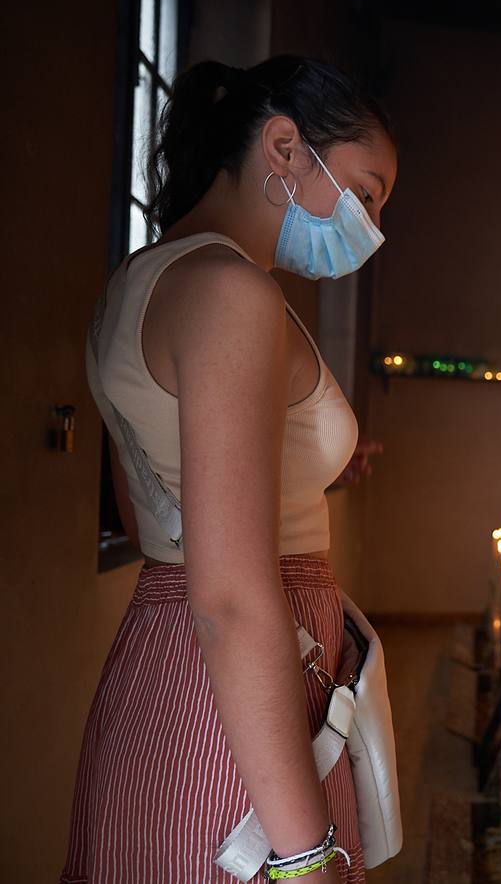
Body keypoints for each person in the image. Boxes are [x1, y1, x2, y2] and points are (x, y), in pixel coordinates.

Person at [62, 55, 396, 882]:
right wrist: (302, 855)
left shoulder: (135, 287)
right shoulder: (231, 293)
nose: (373, 224)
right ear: (284, 149)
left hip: (160, 673)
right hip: (244, 699)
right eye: (367, 192)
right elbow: (230, 597)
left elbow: (153, 521)